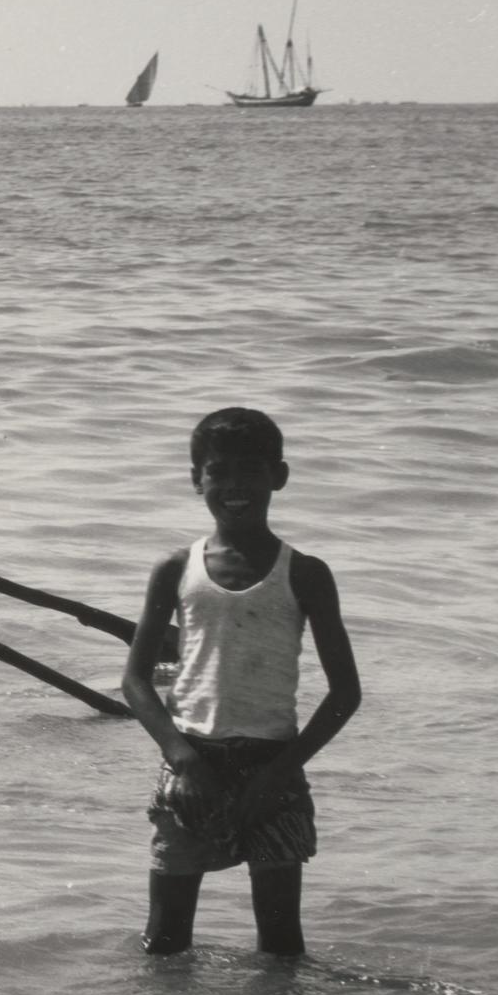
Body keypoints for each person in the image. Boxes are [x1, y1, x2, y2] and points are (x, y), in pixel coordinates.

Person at [120, 406, 362, 958]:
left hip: (273, 768)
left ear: (278, 476)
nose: (233, 487)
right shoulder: (176, 569)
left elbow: (346, 693)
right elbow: (135, 682)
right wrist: (182, 759)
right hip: (192, 765)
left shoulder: (304, 573)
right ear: (195, 479)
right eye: (218, 473)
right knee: (164, 941)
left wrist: (279, 773)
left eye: (250, 472)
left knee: (280, 946)